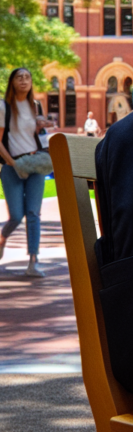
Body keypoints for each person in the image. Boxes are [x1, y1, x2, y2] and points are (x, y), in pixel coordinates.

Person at [0, 68, 53, 277]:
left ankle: (33, 262)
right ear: (12, 82)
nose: (24, 80)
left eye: (27, 77)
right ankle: (3, 238)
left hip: (35, 165)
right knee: (16, 216)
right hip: (12, 166)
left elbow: (40, 135)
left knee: (33, 214)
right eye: (19, 77)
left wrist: (44, 126)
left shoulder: (35, 106)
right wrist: (11, 162)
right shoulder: (4, 106)